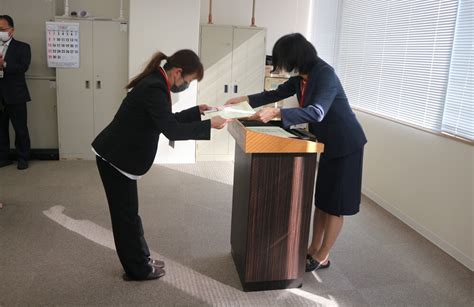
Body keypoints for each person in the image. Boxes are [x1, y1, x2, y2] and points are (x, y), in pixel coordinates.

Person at [226, 33, 367, 272]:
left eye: (283, 60)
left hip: (346, 145)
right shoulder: (302, 78)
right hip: (327, 144)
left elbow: (317, 112)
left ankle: (323, 255)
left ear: (296, 58)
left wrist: (277, 114)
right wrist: (244, 99)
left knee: (335, 204)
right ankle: (313, 248)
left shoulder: (325, 74)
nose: (282, 66)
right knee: (322, 201)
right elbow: (274, 94)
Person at [92, 49, 228, 281]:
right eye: (188, 81)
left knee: (130, 215)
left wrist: (198, 112)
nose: (186, 85)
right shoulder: (154, 87)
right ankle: (138, 269)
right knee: (125, 218)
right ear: (177, 72)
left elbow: (167, 119)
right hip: (115, 158)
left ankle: (142, 259)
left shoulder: (157, 81)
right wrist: (209, 126)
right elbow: (171, 130)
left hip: (121, 155)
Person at [0, 15, 32, 170]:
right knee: (1, 128)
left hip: (16, 94)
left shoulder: (22, 47)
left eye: (2, 29)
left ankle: (23, 157)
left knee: (20, 128)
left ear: (11, 30)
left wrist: (4, 64)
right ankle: (3, 157)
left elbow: (23, 67)